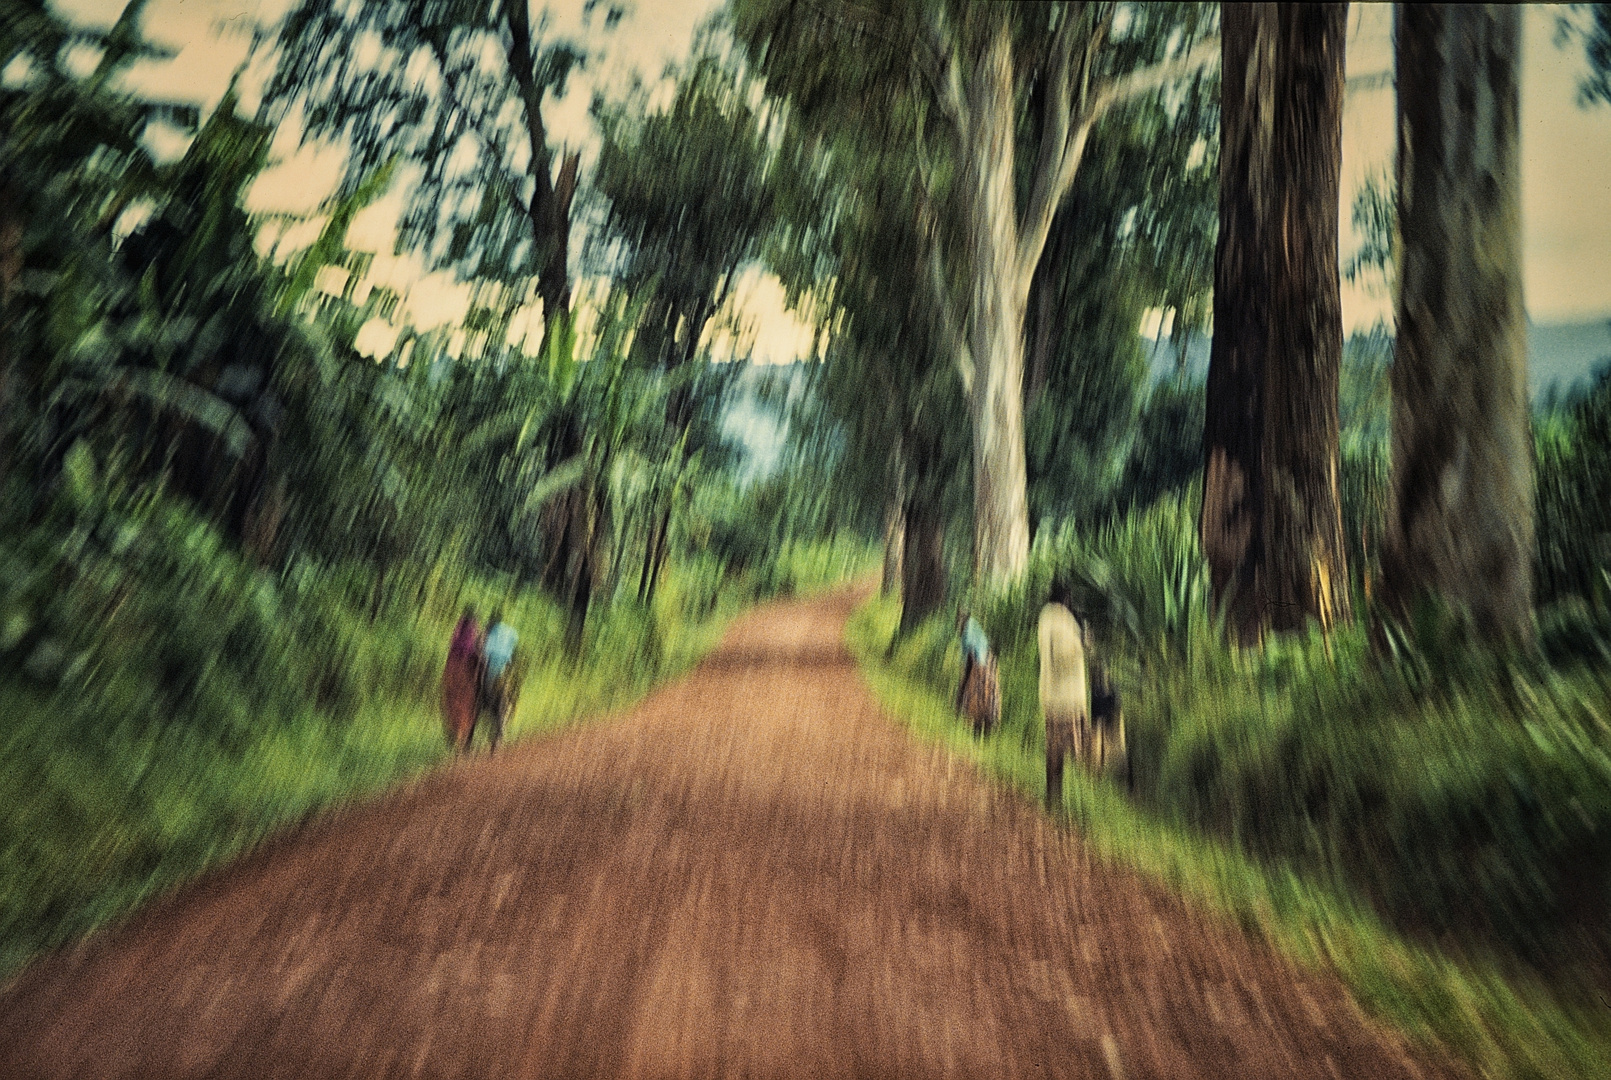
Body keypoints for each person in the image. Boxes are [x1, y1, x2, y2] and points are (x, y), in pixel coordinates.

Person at [1038, 586, 1087, 811]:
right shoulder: (1059, 619)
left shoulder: (1046, 617)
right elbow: (1062, 655)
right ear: (1065, 598)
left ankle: (1053, 795)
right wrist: (1082, 645)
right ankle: (1055, 798)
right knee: (1061, 748)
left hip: (1053, 695)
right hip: (1064, 698)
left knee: (1055, 747)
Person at [443, 607, 484, 753]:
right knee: (470, 700)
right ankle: (466, 738)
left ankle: (455, 732)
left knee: (452, 699)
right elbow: (477, 648)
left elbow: (452, 643)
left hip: (451, 666)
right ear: (475, 617)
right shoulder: (474, 628)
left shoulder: (459, 626)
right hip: (466, 666)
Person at [480, 610, 519, 753]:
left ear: (492, 622)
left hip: (493, 670)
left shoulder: (489, 633)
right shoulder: (510, 630)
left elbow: (485, 653)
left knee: (485, 697)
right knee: (503, 698)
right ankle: (500, 730)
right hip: (505, 668)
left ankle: (493, 729)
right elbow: (515, 642)